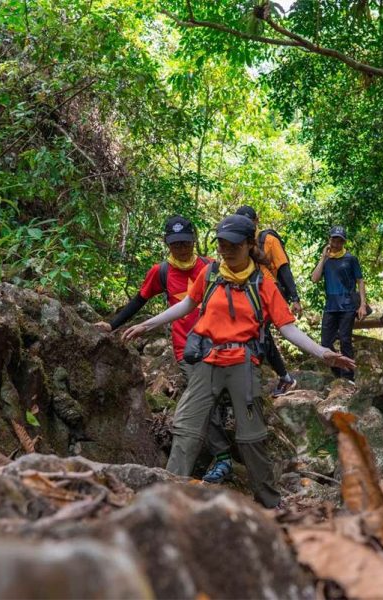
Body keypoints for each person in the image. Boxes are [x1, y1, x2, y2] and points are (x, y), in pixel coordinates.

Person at [121, 214, 355, 508]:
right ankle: (165, 500)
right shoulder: (211, 274)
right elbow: (186, 305)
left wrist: (323, 353)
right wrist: (147, 325)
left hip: (243, 362)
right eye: (220, 243)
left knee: (251, 437)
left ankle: (270, 503)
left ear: (248, 244)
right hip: (208, 359)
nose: (225, 249)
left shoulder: (263, 283)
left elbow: (287, 328)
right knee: (186, 428)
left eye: (232, 244)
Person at [94, 215, 234, 484]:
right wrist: (112, 325)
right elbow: (139, 300)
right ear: (166, 243)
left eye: (185, 243)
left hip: (218, 347)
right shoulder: (162, 272)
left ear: (194, 240)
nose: (181, 248)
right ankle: (221, 458)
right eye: (175, 244)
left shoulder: (211, 267)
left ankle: (212, 461)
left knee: (213, 398)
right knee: (203, 398)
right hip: (187, 351)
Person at [235, 205, 299, 396]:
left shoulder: (268, 240)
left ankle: (253, 381)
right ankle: (283, 377)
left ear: (256, 221)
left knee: (259, 333)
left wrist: (295, 297)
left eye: (249, 222)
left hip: (270, 292)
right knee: (261, 334)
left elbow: (283, 268)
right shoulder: (237, 241)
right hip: (250, 294)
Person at [310, 225, 366, 381]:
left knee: (345, 339)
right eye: (334, 239)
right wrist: (323, 258)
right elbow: (314, 279)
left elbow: (360, 281)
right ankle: (338, 371)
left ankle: (348, 377)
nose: (336, 243)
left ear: (343, 242)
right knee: (325, 342)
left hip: (347, 305)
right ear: (330, 240)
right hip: (330, 306)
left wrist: (362, 304)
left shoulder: (351, 259)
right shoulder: (326, 260)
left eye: (340, 240)